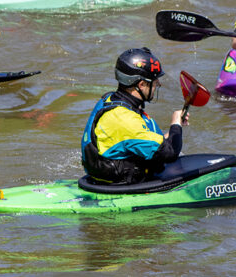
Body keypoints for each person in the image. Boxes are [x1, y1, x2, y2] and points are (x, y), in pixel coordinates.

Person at [80, 47, 187, 185]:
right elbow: (170, 153)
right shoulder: (126, 119)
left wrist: (170, 134)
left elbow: (130, 139)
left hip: (105, 169)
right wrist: (176, 124)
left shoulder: (110, 99)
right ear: (141, 84)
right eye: (154, 81)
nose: (158, 84)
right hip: (117, 183)